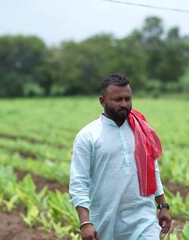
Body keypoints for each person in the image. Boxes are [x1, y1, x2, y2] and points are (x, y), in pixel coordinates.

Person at [69, 73, 172, 240]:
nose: (124, 104)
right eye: (118, 99)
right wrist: (85, 223)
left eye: (128, 99)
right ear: (102, 101)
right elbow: (78, 182)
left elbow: (152, 170)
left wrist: (163, 205)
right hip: (106, 220)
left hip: (143, 218)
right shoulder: (88, 135)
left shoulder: (140, 129)